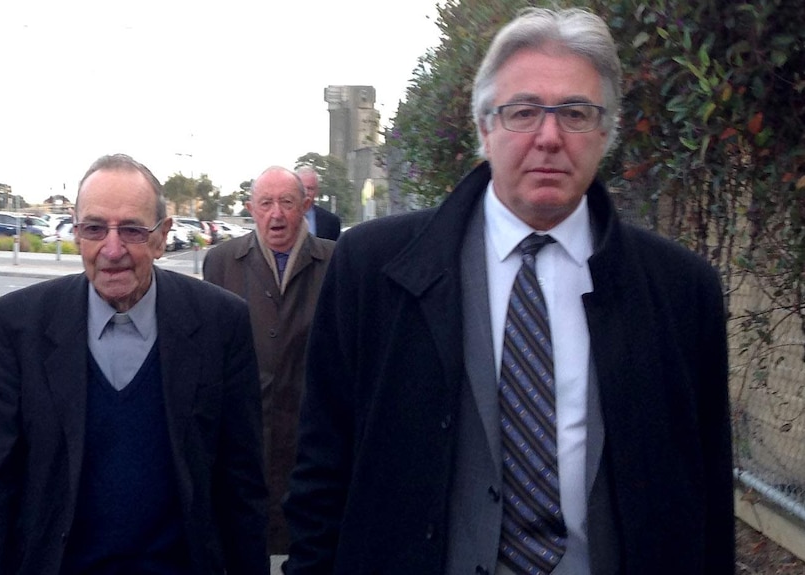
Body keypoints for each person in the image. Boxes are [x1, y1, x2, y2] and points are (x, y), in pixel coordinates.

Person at [283, 7, 733, 575]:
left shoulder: (680, 291)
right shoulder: (372, 270)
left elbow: (708, 497)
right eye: (523, 111)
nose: (548, 137)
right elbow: (321, 475)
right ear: (485, 127)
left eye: (575, 112)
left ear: (605, 131)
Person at [0, 153, 269, 575]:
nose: (113, 248)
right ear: (77, 232)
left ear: (162, 237)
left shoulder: (220, 324)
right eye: (95, 228)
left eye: (133, 230)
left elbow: (242, 488)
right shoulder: (18, 326)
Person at [203, 166, 335, 555]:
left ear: (306, 206)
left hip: (310, 439)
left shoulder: (336, 262)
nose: (276, 214)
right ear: (251, 209)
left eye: (287, 203)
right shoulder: (222, 262)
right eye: (265, 203)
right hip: (245, 437)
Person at [297, 166, 341, 240]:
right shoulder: (282, 216)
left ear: (317, 191)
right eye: (302, 188)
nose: (306, 192)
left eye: (310, 188)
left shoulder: (331, 222)